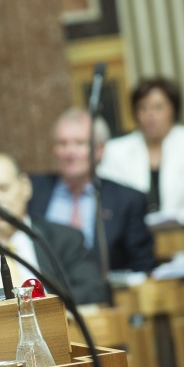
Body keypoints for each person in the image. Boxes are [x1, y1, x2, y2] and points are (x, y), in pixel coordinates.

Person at [0, 152, 110, 306]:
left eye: (3, 188)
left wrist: (36, 306)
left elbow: (93, 292)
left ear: (25, 186)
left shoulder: (64, 238)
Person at [28, 107, 155, 273]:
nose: (69, 152)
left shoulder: (127, 200)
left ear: (100, 149)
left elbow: (142, 267)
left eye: (80, 143)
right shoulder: (32, 190)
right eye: (62, 143)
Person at [98, 77, 184, 225]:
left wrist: (179, 219)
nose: (150, 115)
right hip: (133, 234)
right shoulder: (115, 150)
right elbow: (111, 200)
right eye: (143, 108)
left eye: (158, 107)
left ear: (174, 109)